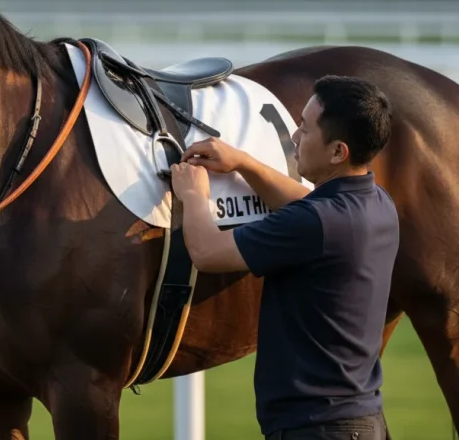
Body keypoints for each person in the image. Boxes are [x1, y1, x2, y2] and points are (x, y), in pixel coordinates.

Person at [169, 74, 399, 440]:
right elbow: (302, 203)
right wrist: (243, 162)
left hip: (318, 429)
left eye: (305, 131)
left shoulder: (318, 222)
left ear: (338, 151)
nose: (294, 138)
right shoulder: (377, 204)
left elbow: (207, 252)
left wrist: (194, 194)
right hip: (357, 421)